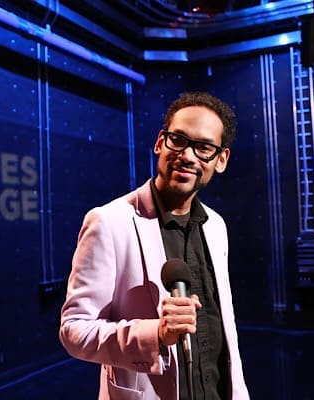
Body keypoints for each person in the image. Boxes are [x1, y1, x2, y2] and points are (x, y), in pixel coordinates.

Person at [59, 92, 250, 399]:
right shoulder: (109, 222)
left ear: (221, 160)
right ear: (161, 142)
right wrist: (156, 334)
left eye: (203, 148)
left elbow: (223, 332)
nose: (188, 156)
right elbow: (74, 331)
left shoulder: (215, 226)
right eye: (178, 140)